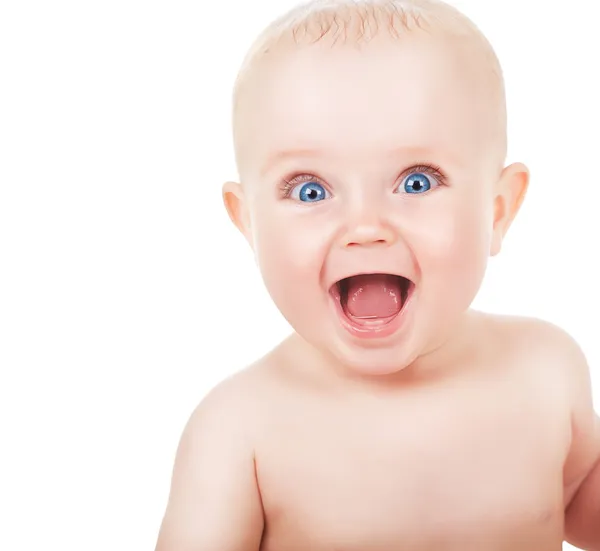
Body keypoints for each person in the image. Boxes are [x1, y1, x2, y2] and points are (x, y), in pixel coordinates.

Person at [155, 0, 600, 549]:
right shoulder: (239, 432)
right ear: (249, 224)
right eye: (310, 190)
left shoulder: (546, 369)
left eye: (416, 182)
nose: (365, 227)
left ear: (497, 210)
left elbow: (579, 502)